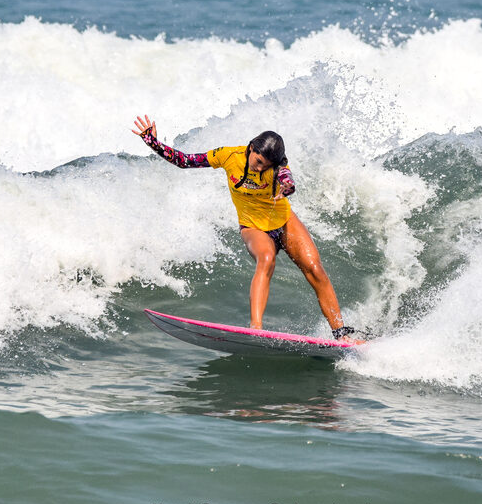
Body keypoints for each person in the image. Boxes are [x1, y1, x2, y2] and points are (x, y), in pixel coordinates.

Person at [132, 115, 355, 341]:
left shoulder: (278, 167)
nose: (260, 168)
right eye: (258, 161)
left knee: (315, 268)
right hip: (252, 226)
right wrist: (152, 142)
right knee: (266, 258)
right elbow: (185, 161)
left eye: (265, 166)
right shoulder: (229, 155)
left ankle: (341, 333)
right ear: (251, 149)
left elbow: (287, 178)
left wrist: (287, 187)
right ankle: (256, 329)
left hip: (283, 220)